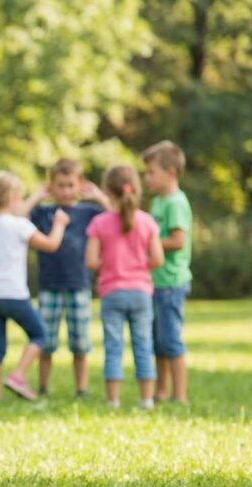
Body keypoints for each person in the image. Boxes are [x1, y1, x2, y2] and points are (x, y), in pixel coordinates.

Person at [0, 171, 69, 401]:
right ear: (12, 198)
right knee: (40, 336)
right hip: (14, 295)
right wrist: (59, 224)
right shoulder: (21, 225)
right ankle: (19, 375)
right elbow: (51, 245)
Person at [24, 159, 109, 397]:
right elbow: (18, 217)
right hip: (49, 284)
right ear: (51, 186)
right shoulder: (42, 212)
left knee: (80, 343)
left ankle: (81, 388)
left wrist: (99, 197)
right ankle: (43, 386)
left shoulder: (89, 212)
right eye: (59, 186)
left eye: (70, 185)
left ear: (79, 185)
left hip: (79, 284)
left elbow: (119, 216)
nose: (65, 191)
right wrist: (36, 196)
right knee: (46, 341)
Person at [86, 165, 164, 409]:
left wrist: (109, 267)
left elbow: (90, 261)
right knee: (143, 344)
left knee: (113, 346)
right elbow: (158, 259)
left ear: (108, 191)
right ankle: (147, 399)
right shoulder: (147, 222)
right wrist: (139, 267)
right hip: (141, 292)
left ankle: (113, 400)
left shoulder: (100, 223)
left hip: (112, 293)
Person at [143, 141, 193, 404]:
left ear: (170, 172)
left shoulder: (175, 203)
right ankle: (161, 391)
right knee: (157, 342)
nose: (146, 178)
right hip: (155, 281)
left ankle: (180, 394)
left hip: (172, 282)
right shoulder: (157, 203)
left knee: (171, 340)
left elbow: (177, 241)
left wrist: (145, 242)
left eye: (151, 172)